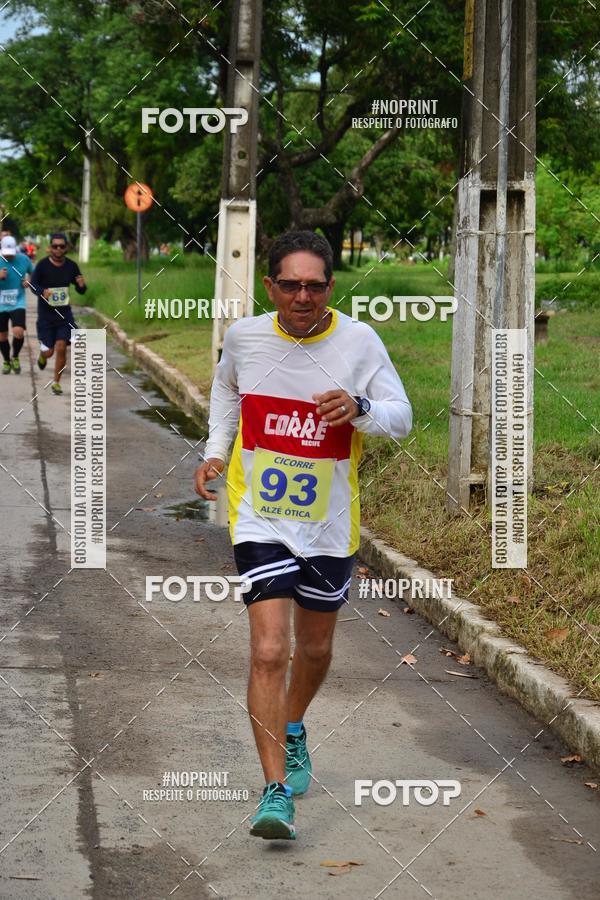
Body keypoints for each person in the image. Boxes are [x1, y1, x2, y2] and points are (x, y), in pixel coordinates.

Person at [194, 230, 412, 840]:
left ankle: (292, 726)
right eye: (290, 284)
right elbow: (226, 389)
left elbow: (402, 416)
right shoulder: (245, 338)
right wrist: (216, 450)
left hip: (329, 525)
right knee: (269, 651)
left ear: (330, 288)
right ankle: (275, 793)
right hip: (259, 516)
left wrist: (361, 408)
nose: (302, 296)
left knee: (314, 651)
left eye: (315, 286)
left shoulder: (360, 342)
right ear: (270, 286)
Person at [30, 233, 87, 395]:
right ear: (50, 248)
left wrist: (81, 285)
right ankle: (43, 355)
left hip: (64, 315)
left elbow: (81, 290)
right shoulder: (42, 265)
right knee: (49, 352)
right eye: (55, 246)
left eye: (62, 246)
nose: (58, 249)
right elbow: (33, 285)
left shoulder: (71, 266)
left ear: (66, 248)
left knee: (61, 347)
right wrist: (42, 291)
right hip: (46, 316)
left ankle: (56, 382)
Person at [0, 235, 34, 375]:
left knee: (18, 332)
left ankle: (15, 357)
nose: (9, 256)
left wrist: (29, 281)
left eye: (11, 254)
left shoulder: (24, 259)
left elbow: (34, 274)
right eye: (6, 254)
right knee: (2, 336)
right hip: (1, 305)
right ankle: (6, 360)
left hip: (18, 302)